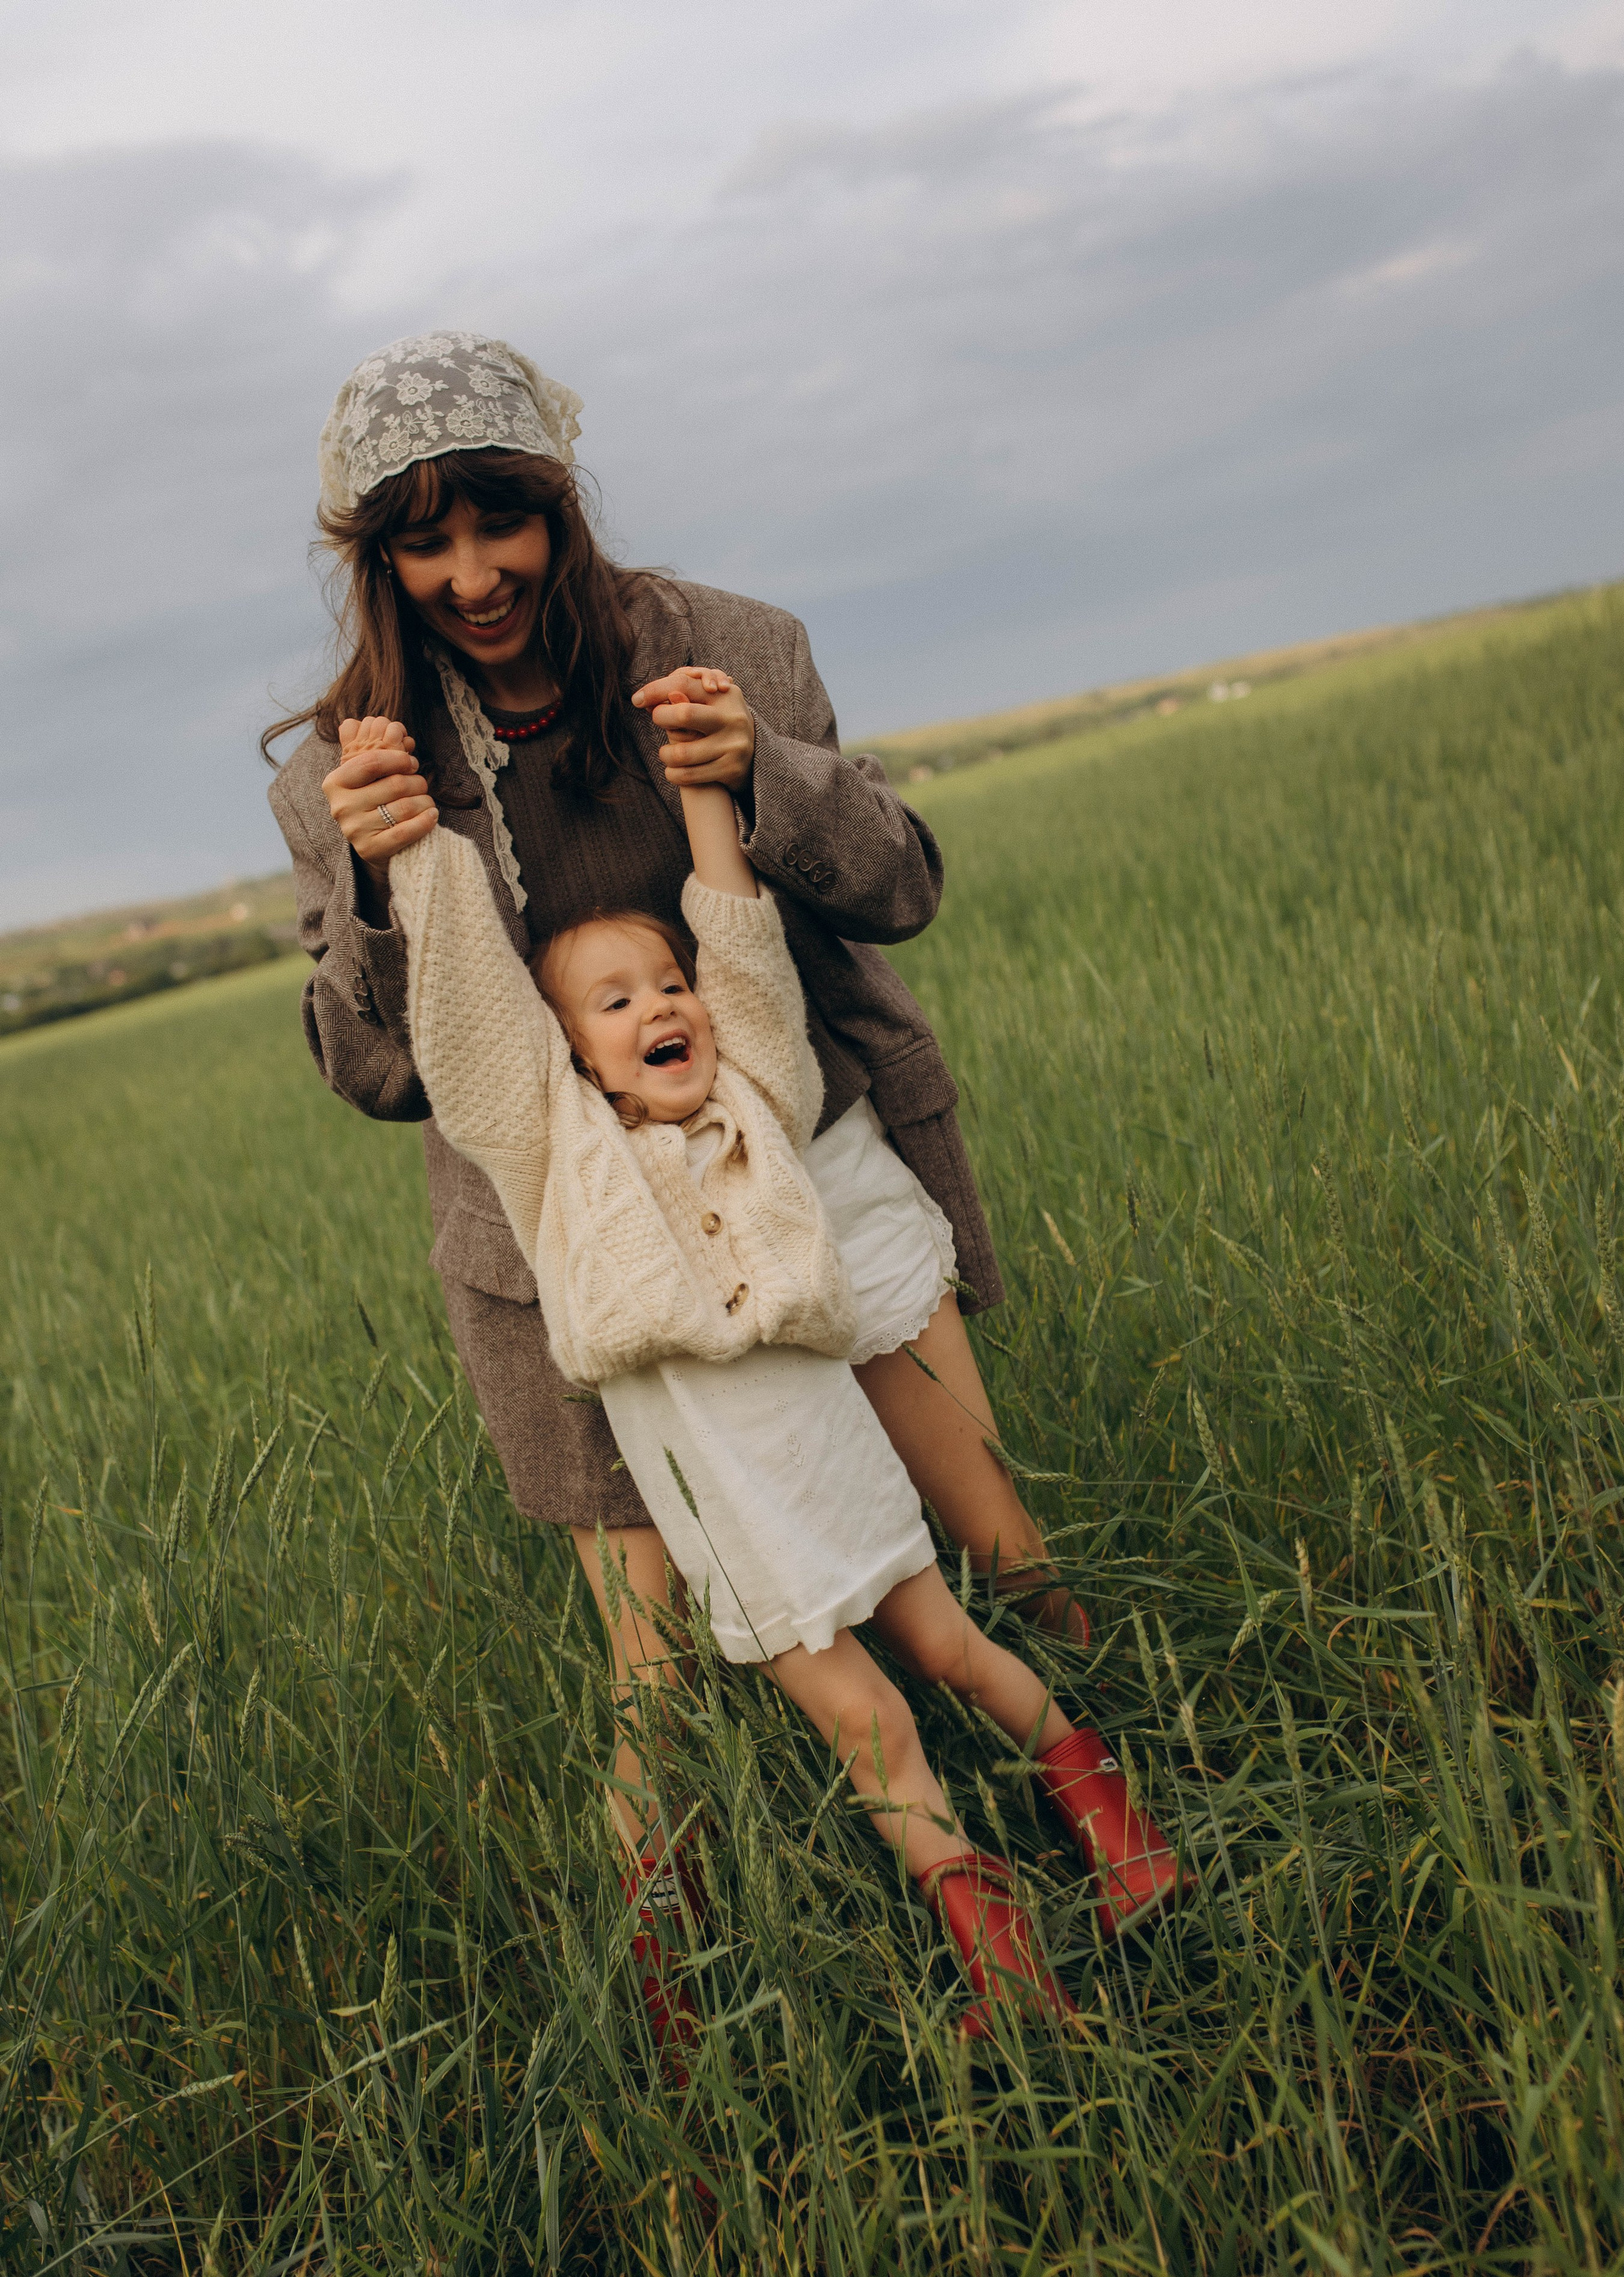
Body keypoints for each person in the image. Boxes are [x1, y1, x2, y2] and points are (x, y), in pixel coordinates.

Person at [264, 331, 1185, 2027]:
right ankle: (674, 1997)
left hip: (808, 1160)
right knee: (658, 1667)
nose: (471, 575)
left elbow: (899, 886)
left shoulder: (732, 650)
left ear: (561, 506)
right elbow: (383, 1071)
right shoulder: (350, 757)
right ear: (375, 561)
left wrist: (763, 770)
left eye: (501, 523)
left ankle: (1154, 1812)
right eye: (421, 541)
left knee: (991, 1542)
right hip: (586, 1257)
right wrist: (388, 891)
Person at [381, 685, 1185, 2035]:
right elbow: (470, 1025)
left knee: (951, 1647)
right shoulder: (558, 1164)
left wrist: (708, 792)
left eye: (668, 986)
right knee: (866, 1722)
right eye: (616, 1002)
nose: (660, 1007)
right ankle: (993, 1943)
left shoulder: (760, 1099)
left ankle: (1110, 1813)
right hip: (741, 1531)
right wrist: (415, 844)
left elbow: (745, 952)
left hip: (833, 1466)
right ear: (568, 1055)